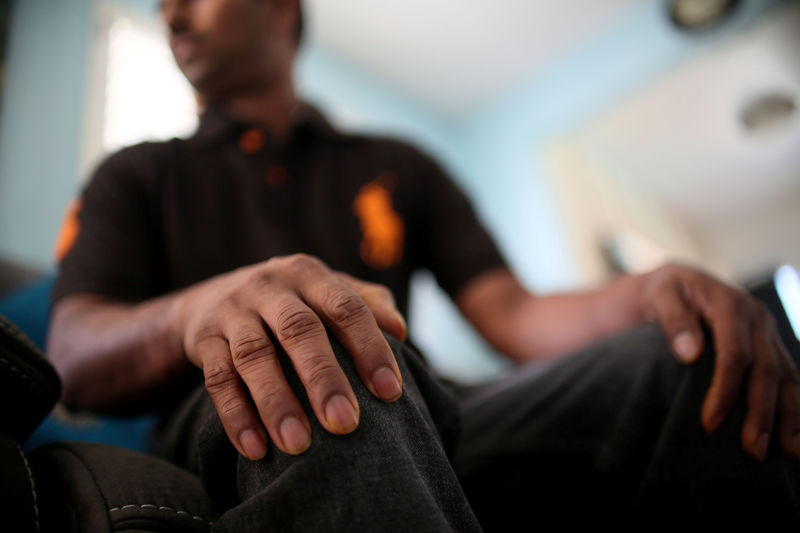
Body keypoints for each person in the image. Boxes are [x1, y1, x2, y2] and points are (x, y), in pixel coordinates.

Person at [46, 0, 800, 530]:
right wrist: (195, 309)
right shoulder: (135, 175)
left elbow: (515, 314)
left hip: (437, 411)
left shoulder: (397, 165)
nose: (171, 14)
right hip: (239, 424)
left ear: (282, 6)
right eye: (163, 4)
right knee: (313, 343)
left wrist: (654, 288)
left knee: (687, 356)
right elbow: (74, 350)